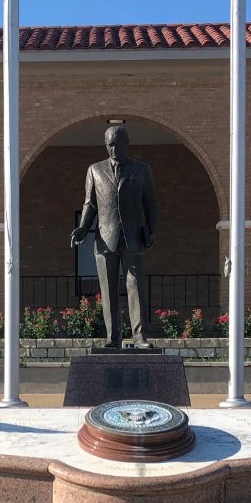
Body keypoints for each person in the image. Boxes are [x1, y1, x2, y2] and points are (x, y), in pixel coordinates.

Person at [70, 125, 159, 348]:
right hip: (105, 237)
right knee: (108, 290)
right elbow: (90, 204)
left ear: (126, 144)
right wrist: (82, 228)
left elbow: (151, 204)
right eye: (109, 145)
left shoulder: (141, 170)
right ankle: (113, 337)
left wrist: (151, 230)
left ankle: (139, 337)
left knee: (135, 285)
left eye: (118, 144)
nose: (113, 149)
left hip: (133, 237)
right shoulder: (95, 170)